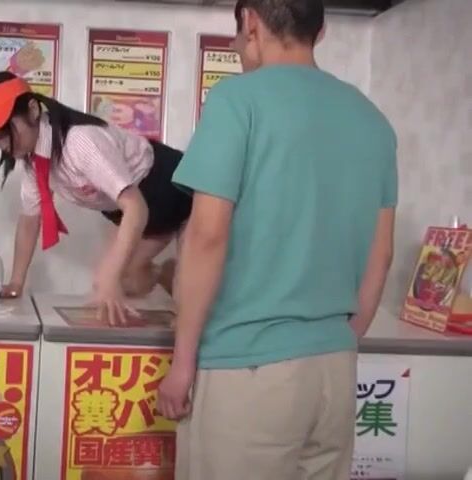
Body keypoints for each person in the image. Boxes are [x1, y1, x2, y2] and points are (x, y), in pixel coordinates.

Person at [156, 0, 397, 479]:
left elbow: (206, 235)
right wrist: (341, 339)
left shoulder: (237, 100)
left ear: (250, 22)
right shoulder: (372, 119)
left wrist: (182, 363)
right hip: (334, 371)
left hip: (249, 371)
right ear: (320, 31)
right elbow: (382, 252)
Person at [0, 71, 193, 324]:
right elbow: (30, 219)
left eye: (5, 131)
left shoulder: (80, 142)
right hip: (136, 206)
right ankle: (164, 273)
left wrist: (110, 276)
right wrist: (16, 283)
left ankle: (181, 280)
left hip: (176, 191)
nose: (2, 144)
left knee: (188, 302)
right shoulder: (35, 161)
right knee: (123, 280)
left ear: (32, 110)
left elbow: (135, 207)